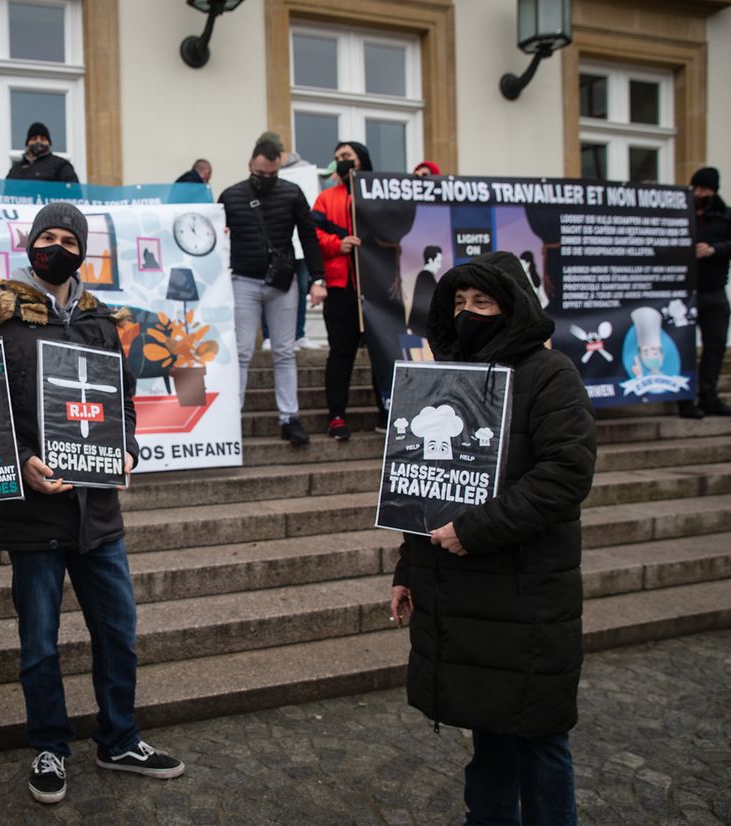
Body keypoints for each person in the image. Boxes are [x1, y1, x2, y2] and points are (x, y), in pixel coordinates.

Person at [0, 203, 185, 805]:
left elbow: (124, 402)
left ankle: (119, 739)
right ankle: (49, 746)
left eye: (68, 239)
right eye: (47, 237)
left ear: (82, 251)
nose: (56, 247)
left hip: (98, 515)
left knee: (119, 632)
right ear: (31, 245)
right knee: (39, 643)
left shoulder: (100, 320)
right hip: (32, 512)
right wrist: (18, 464)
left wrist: (129, 450)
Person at [390, 251, 596, 826]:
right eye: (458, 303)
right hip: (461, 594)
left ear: (514, 308)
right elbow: (420, 484)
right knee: (488, 740)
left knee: (539, 740)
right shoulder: (442, 379)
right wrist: (408, 569)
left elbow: (566, 475)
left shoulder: (549, 375)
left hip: (525, 597)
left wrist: (476, 530)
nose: (468, 313)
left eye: (483, 303)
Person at [218, 141, 325, 445]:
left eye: (272, 173)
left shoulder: (291, 193)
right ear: (250, 164)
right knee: (241, 351)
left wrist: (319, 279)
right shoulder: (232, 195)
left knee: (284, 351)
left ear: (279, 167)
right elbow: (212, 235)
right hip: (244, 279)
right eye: (261, 172)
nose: (266, 178)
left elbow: (308, 236)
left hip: (282, 281)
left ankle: (289, 417)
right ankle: (231, 416)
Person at [312, 140, 390, 440]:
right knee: (341, 355)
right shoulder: (325, 198)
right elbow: (312, 234)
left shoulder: (380, 193)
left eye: (347, 156)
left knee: (382, 355)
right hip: (341, 288)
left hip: (378, 289)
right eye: (337, 158)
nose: (341, 161)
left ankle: (387, 415)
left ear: (362, 159)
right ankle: (336, 417)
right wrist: (338, 244)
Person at [257, 131, 322, 351]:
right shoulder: (262, 174)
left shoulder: (303, 169)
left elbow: (312, 205)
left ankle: (299, 334)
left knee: (301, 286)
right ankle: (269, 335)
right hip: (275, 243)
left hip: (298, 242)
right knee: (270, 288)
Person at [683, 166, 731, 418]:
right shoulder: (682, 212)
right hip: (685, 292)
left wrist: (713, 250)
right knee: (684, 347)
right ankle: (685, 399)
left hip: (714, 291)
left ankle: (709, 396)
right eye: (697, 188)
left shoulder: (724, 216)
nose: (700, 193)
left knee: (715, 347)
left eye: (705, 189)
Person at [6, 122, 79, 183]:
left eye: (43, 139)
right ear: (27, 143)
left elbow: (74, 193)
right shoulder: (16, 169)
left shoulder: (60, 165)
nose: (38, 141)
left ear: (49, 143)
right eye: (34, 139)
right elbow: (6, 197)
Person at [408, 245, 443, 335]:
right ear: (430, 260)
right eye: (438, 262)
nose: (440, 265)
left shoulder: (426, 276)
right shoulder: (425, 276)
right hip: (422, 328)